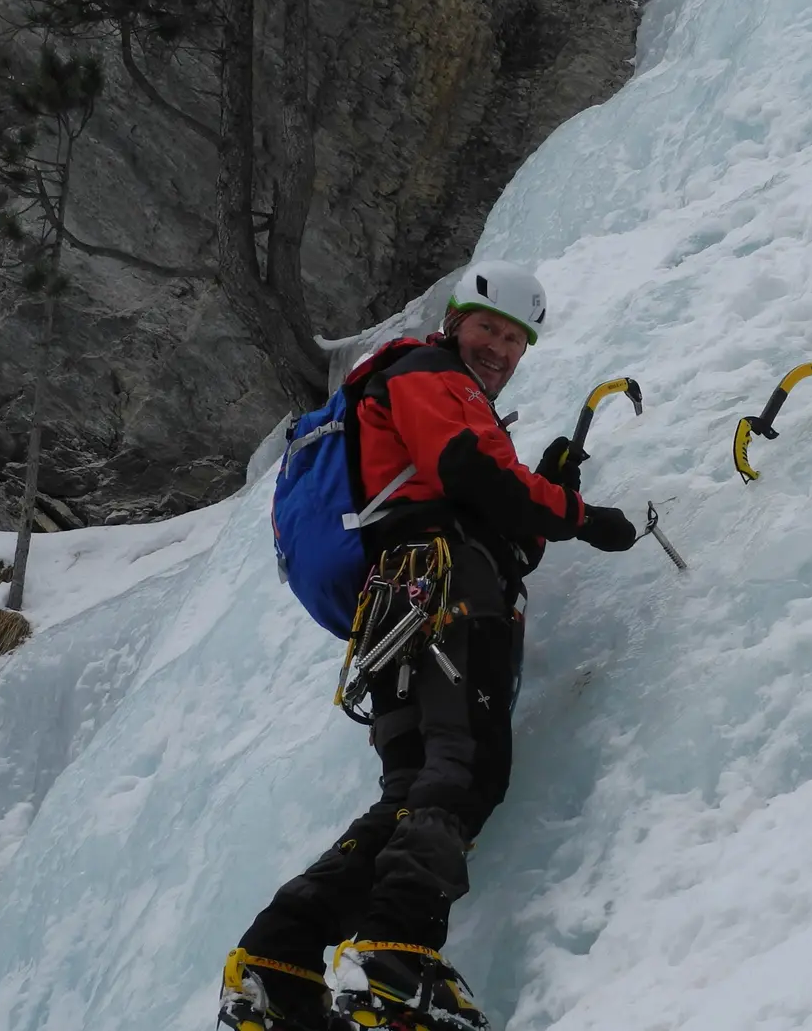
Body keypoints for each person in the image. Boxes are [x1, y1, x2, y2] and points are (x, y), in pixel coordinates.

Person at [220, 261, 639, 1031]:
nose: (501, 348)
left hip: (406, 599)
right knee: (463, 767)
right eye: (489, 328)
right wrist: (582, 513)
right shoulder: (426, 372)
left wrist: (536, 496)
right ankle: (395, 959)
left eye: (516, 339)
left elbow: (483, 504)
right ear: (455, 323)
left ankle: (278, 961)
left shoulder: (432, 389)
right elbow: (469, 472)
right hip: (444, 586)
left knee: (415, 784)